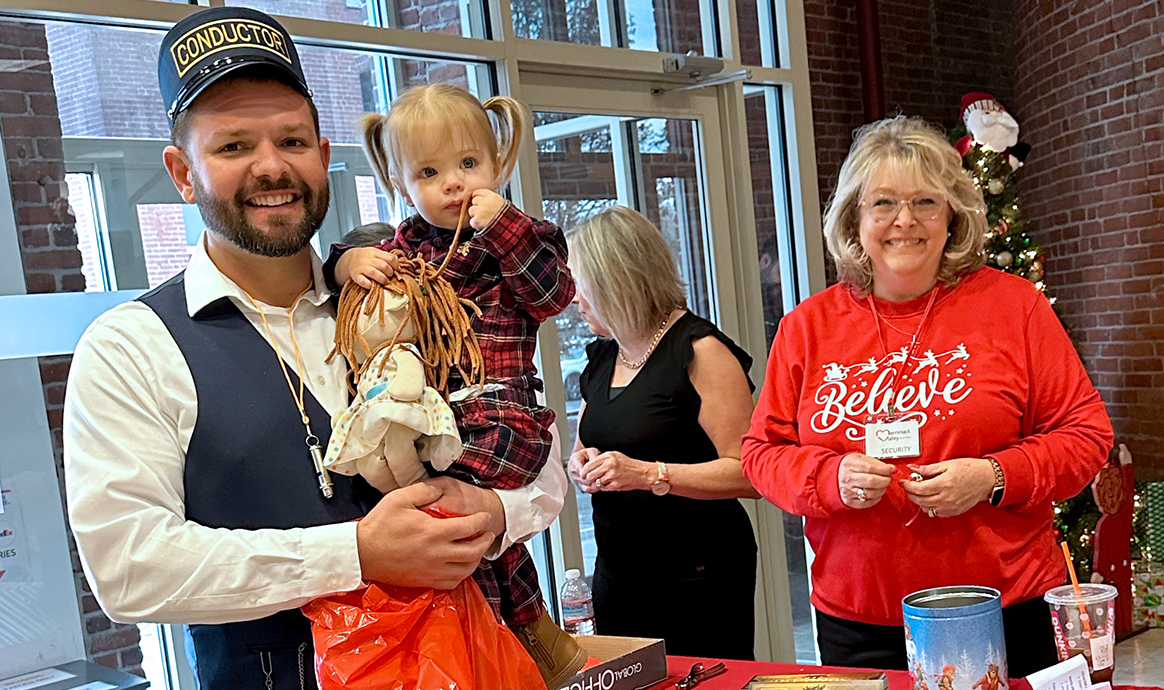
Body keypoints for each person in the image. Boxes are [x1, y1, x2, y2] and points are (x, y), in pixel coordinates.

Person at [62, 8, 565, 690]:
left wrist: (497, 512)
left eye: (292, 141)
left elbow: (541, 463)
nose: (272, 167)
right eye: (234, 147)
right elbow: (129, 567)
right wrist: (355, 553)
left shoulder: (409, 294)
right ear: (183, 173)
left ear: (324, 157)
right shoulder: (132, 347)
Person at [741, 116, 1113, 677]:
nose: (905, 222)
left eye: (925, 203)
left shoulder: (1015, 307)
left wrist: (993, 476)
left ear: (953, 216)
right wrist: (827, 479)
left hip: (1003, 608)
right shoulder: (807, 327)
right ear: (854, 218)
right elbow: (761, 452)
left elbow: (1087, 436)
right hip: (859, 620)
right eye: (883, 203)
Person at [325, 83, 582, 684]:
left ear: (498, 162)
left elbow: (553, 295)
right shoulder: (404, 247)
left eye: (469, 164)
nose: (454, 184)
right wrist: (346, 263)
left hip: (501, 419)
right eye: (430, 171)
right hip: (436, 421)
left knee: (452, 530)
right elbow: (351, 274)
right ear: (400, 181)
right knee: (458, 540)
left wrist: (506, 228)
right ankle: (521, 636)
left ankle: (505, 634)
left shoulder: (521, 238)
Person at [564, 205, 761, 660]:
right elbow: (587, 446)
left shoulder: (699, 352)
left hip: (698, 574)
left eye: (581, 284)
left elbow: (750, 475)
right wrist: (580, 465)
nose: (574, 299)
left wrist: (650, 474)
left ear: (616, 279)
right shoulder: (602, 360)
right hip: (618, 570)